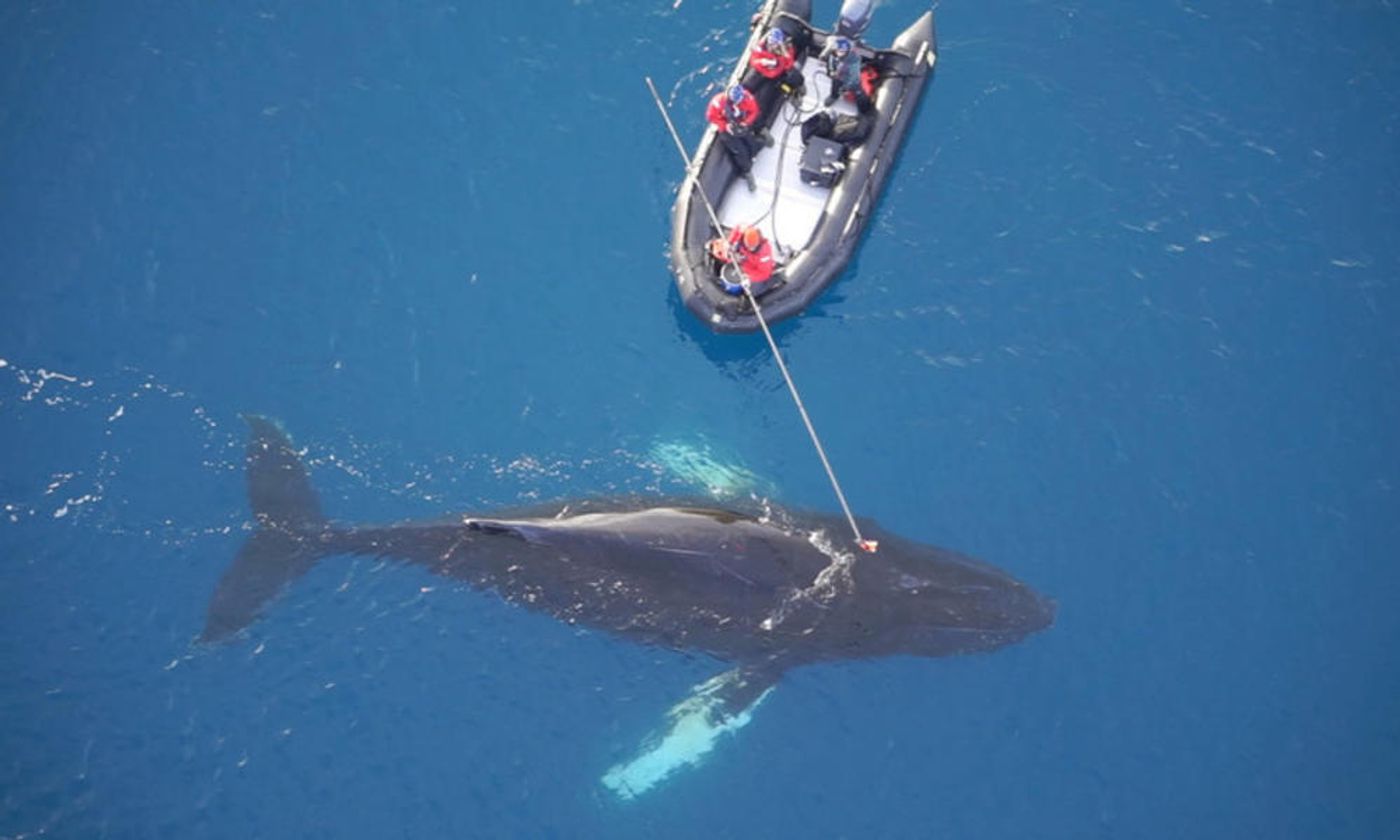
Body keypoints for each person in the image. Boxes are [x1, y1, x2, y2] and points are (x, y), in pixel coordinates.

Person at [706, 84, 770, 192]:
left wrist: (745, 123)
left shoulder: (747, 98)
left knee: (751, 142)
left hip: (741, 124)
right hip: (727, 129)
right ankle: (747, 172)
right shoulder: (717, 102)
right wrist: (725, 125)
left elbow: (754, 111)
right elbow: (711, 117)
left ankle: (758, 146)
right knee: (741, 152)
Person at [707, 224, 776, 293]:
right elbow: (738, 228)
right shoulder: (744, 229)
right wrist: (730, 242)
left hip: (750, 268)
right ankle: (711, 247)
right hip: (739, 253)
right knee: (720, 251)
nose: (750, 248)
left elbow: (764, 273)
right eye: (748, 246)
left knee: (753, 290)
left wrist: (749, 277)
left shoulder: (765, 254)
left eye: (752, 247)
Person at [748, 27, 804, 100]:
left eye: (775, 44)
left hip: (780, 71)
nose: (772, 46)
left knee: (795, 76)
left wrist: (781, 58)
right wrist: (763, 62)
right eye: (771, 43)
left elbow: (789, 64)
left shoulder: (786, 49)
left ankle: (798, 90)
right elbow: (753, 61)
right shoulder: (760, 48)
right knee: (779, 87)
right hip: (767, 72)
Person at [821, 36, 869, 109]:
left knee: (859, 94)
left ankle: (864, 108)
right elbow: (831, 62)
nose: (838, 53)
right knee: (835, 86)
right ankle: (833, 96)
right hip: (838, 76)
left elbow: (854, 76)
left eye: (841, 51)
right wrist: (831, 71)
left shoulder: (854, 59)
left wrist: (846, 87)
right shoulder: (834, 54)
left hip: (851, 80)